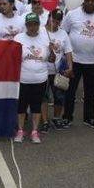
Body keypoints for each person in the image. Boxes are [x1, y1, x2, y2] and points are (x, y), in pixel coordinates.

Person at [61, 0, 94, 129]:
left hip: (92, 60)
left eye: (93, 0)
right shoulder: (72, 14)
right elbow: (64, 33)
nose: (90, 3)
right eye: (87, 0)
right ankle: (67, 117)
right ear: (82, 1)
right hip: (74, 60)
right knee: (70, 91)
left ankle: (89, 118)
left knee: (90, 91)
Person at [14, 13, 55, 144]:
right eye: (30, 24)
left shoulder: (45, 39)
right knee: (21, 106)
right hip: (23, 78)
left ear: (39, 25)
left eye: (35, 24)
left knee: (36, 106)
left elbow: (51, 59)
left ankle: (34, 131)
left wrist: (52, 51)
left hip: (40, 78)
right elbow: (12, 57)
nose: (32, 27)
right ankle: (20, 130)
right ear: (26, 25)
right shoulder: (19, 38)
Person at [41, 10, 73, 132]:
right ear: (49, 18)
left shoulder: (63, 33)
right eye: (54, 19)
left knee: (59, 96)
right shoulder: (41, 31)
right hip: (43, 70)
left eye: (58, 20)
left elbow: (68, 52)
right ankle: (44, 121)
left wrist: (70, 67)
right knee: (43, 96)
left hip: (58, 70)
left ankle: (56, 118)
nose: (56, 22)